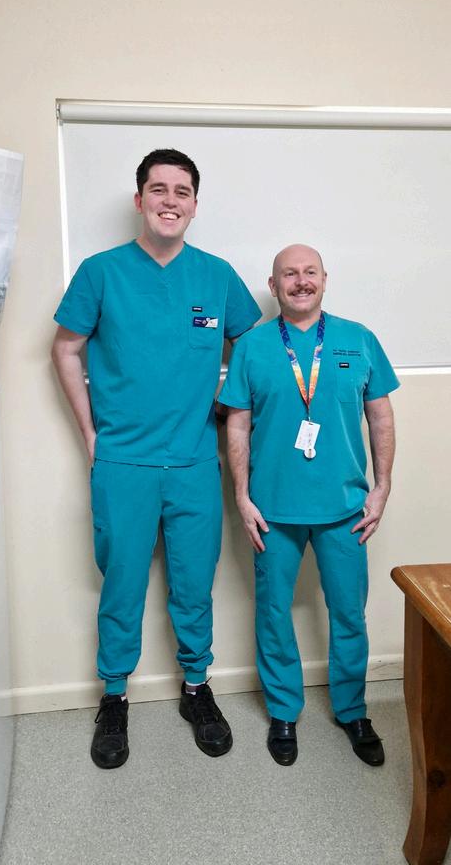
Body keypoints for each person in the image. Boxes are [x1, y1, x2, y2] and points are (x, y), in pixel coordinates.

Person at [51, 148, 261, 769]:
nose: (171, 201)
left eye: (182, 191)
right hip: (123, 464)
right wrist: (90, 435)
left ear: (195, 204)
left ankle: (196, 688)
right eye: (159, 189)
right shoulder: (101, 272)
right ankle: (114, 697)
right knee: (121, 585)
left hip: (195, 463)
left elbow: (251, 353)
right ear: (139, 199)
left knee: (194, 585)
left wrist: (227, 405)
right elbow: (65, 349)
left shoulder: (216, 276)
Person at [218, 244, 399, 767]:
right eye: (289, 274)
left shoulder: (358, 339)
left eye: (309, 272)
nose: (300, 281)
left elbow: (381, 417)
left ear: (324, 279)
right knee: (273, 612)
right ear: (273, 286)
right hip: (272, 511)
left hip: (345, 510)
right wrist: (242, 496)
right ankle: (283, 711)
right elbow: (237, 425)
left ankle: (353, 710)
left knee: (348, 614)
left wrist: (382, 486)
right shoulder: (253, 347)